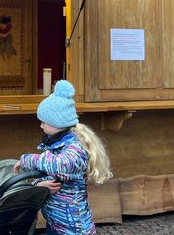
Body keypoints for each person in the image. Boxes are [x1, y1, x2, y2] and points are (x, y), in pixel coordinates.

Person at [14, 80, 112, 235]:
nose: (41, 126)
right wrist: (40, 184)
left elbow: (60, 165)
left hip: (73, 228)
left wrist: (27, 159)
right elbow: (51, 175)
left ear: (57, 122)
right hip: (56, 222)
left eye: (44, 122)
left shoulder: (75, 149)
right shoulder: (56, 145)